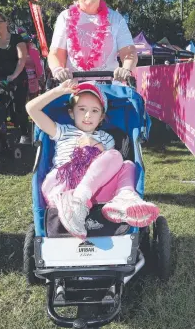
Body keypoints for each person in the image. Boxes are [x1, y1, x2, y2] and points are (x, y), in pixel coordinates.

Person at [26, 80, 159, 239]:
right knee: (115, 156)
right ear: (71, 112)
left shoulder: (106, 138)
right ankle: (75, 203)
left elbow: (109, 166)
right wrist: (58, 92)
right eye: (82, 109)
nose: (88, 115)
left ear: (101, 116)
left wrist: (97, 146)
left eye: (94, 111)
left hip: (95, 192)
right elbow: (31, 109)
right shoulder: (62, 131)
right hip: (64, 185)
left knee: (126, 163)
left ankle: (124, 198)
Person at [48, 0, 138, 82]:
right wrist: (58, 71)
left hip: (110, 90)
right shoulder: (65, 17)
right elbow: (55, 54)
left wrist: (126, 69)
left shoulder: (116, 19)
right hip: (74, 89)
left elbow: (129, 52)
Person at [0, 12, 30, 144]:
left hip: (18, 77)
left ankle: (24, 133)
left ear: (6, 23)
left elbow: (22, 60)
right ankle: (0, 136)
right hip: (0, 78)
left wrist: (14, 76)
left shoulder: (17, 39)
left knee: (18, 107)